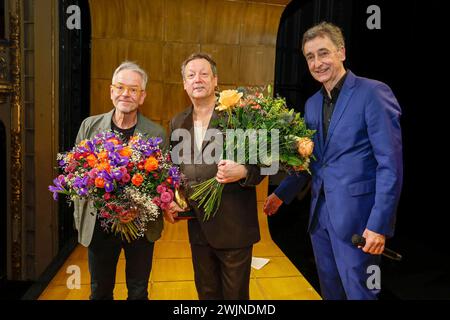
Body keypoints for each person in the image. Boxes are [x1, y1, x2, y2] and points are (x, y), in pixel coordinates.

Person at [263, 22, 403, 300]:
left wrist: (378, 225)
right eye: (310, 57)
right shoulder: (312, 104)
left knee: (361, 294)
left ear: (341, 52)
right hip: (320, 218)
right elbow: (313, 160)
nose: (317, 63)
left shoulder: (373, 93)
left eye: (323, 53)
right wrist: (281, 194)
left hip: (359, 220)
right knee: (331, 293)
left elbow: (391, 166)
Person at [164, 53, 264, 300]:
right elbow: (174, 171)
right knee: (206, 294)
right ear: (184, 84)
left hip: (234, 227)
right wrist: (172, 198)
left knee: (235, 299)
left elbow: (268, 162)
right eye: (191, 75)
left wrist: (242, 171)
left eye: (204, 74)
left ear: (215, 80)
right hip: (198, 227)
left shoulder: (240, 115)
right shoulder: (178, 122)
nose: (197, 79)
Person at [73, 61, 167, 300]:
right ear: (111, 91)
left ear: (142, 96)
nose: (126, 94)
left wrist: (137, 207)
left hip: (140, 226)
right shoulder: (89, 126)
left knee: (138, 292)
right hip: (100, 225)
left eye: (134, 89)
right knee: (100, 291)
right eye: (121, 87)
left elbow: (163, 183)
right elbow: (77, 174)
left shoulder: (157, 134)